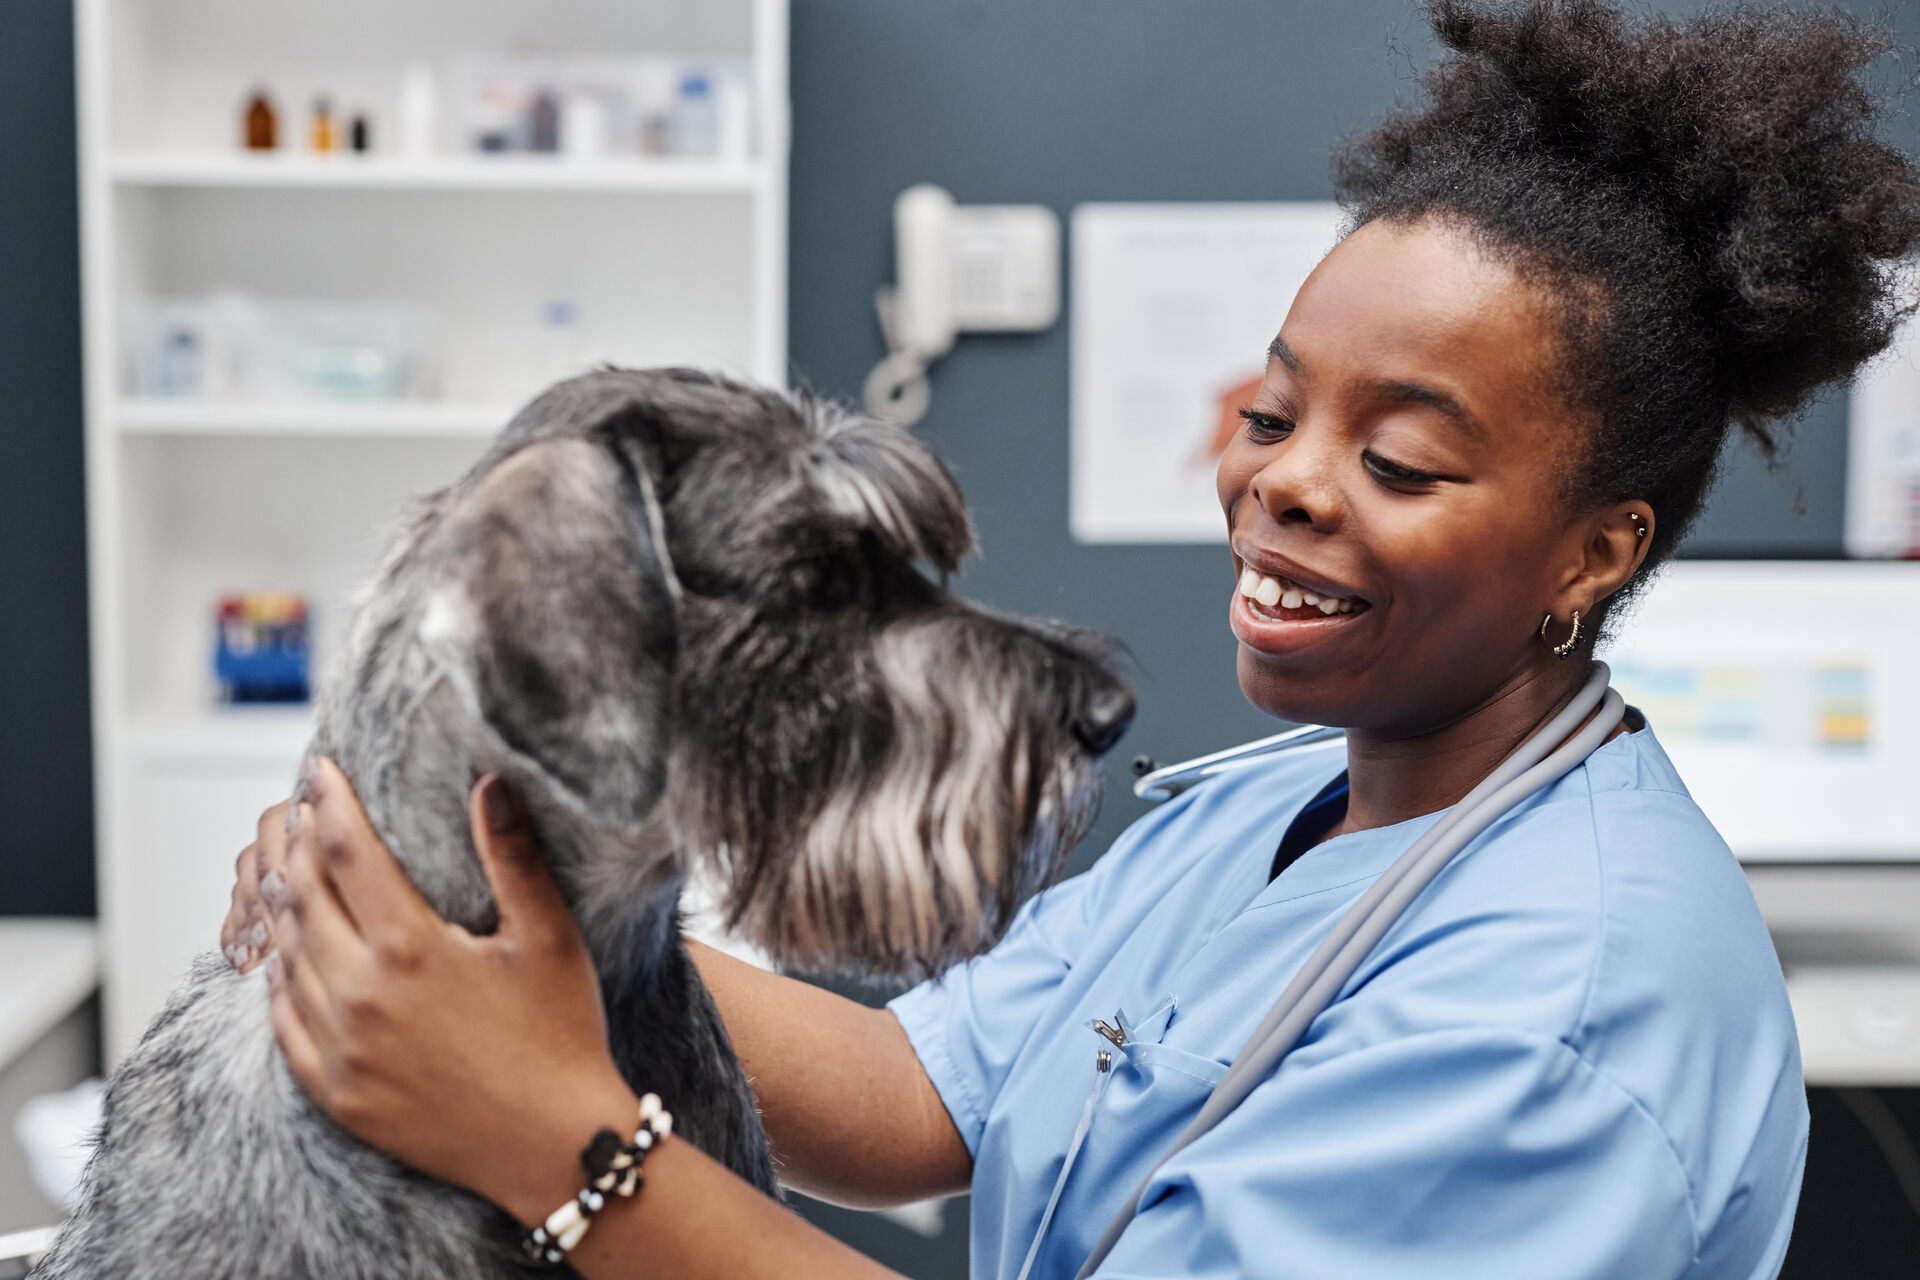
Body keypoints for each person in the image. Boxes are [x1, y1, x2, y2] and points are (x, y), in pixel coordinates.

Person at [220, 3, 1920, 1276]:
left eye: (1398, 460)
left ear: (1598, 549)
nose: (1288, 485)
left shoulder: (1565, 1009)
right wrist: (459, 941)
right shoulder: (1289, 809)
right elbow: (914, 1097)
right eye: (1272, 412)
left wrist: (543, 1127)